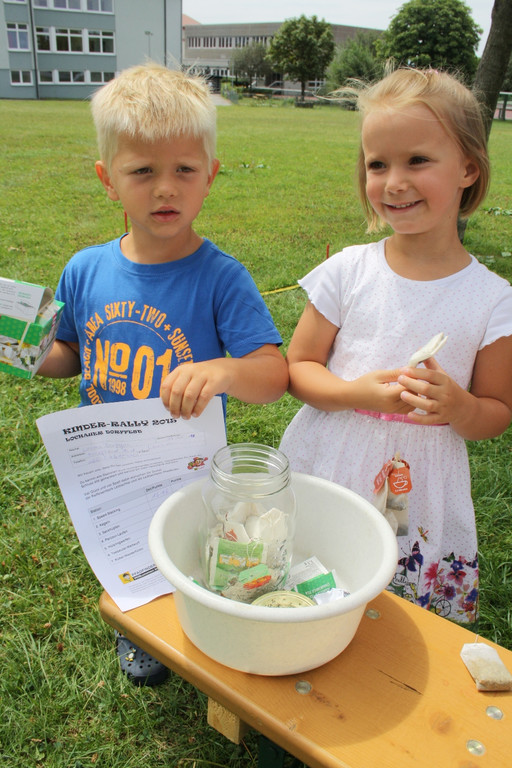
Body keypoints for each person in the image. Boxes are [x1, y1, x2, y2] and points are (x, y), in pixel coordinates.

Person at [38, 62, 288, 683]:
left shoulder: (220, 278)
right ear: (107, 180)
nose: (165, 189)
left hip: (187, 461)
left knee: (190, 551)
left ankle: (194, 622)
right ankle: (142, 629)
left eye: (184, 170)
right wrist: (33, 353)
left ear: (211, 176)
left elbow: (272, 374)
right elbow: (69, 352)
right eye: (142, 171)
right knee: (127, 551)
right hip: (109, 459)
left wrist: (226, 370)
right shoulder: (85, 270)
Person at [279, 68, 512, 627]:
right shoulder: (349, 271)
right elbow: (298, 368)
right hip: (332, 456)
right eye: (377, 164)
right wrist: (354, 390)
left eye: (417, 161)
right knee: (314, 578)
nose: (393, 181)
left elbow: (497, 412)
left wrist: (459, 407)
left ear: (468, 169)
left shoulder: (491, 299)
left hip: (419, 476)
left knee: (395, 604)